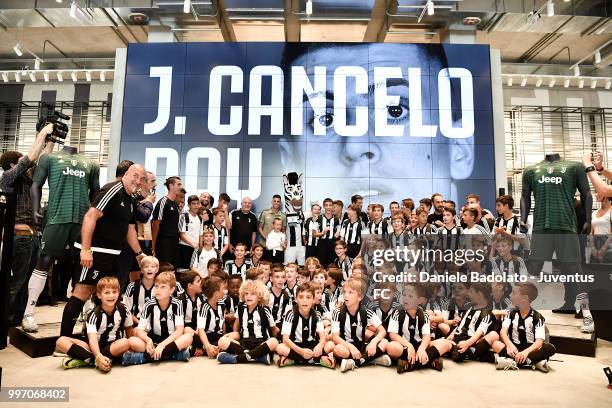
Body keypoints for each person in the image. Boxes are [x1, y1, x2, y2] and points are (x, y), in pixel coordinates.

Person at [60, 164, 146, 337]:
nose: (137, 181)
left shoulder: (131, 198)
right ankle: (64, 342)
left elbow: (130, 229)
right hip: (95, 252)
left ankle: (95, 335)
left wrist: (139, 254)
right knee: (82, 292)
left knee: (105, 294)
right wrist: (85, 249)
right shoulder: (113, 190)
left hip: (112, 255)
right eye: (134, 176)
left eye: (141, 179)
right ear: (126, 174)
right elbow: (90, 216)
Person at [0, 122, 54, 326]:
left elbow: (41, 162)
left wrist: (50, 141)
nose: (26, 163)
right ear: (13, 165)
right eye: (20, 161)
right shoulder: (7, 178)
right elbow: (30, 158)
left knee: (26, 283)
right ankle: (5, 320)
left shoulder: (27, 180)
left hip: (31, 238)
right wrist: (41, 134)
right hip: (20, 237)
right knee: (16, 282)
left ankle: (16, 318)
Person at [55, 277, 131, 371]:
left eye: (114, 292)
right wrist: (98, 356)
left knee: (125, 342)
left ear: (119, 293)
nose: (111, 296)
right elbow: (92, 340)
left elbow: (129, 332)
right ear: (99, 295)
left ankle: (86, 359)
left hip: (113, 347)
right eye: (107, 292)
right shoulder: (94, 314)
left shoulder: (123, 309)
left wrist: (130, 349)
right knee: (60, 341)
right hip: (93, 347)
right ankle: (96, 361)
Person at [122, 272, 192, 365]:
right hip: (154, 340)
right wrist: (148, 340)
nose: (158, 290)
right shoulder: (149, 304)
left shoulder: (177, 304)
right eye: (156, 286)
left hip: (170, 341)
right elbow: (140, 330)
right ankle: (174, 355)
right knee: (132, 341)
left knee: (188, 337)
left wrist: (162, 345)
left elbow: (179, 330)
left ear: (171, 290)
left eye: (163, 287)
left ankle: (144, 357)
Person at [492, 283, 556, 372]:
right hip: (514, 348)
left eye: (514, 293)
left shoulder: (538, 317)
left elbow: (539, 342)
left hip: (530, 349)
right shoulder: (511, 314)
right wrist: (509, 345)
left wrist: (525, 352)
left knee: (550, 348)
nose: (510, 295)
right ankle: (534, 362)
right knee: (495, 344)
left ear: (524, 298)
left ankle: (512, 362)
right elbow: (503, 332)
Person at [387, 283, 451, 372]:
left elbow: (426, 336)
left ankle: (410, 364)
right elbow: (393, 335)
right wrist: (409, 345)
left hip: (420, 344)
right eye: (404, 295)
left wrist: (421, 349)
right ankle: (428, 361)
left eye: (410, 296)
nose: (405, 298)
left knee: (446, 344)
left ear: (419, 300)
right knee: (391, 347)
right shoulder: (397, 312)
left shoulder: (424, 314)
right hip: (404, 346)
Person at [331, 278, 391, 372]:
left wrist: (373, 342)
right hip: (346, 346)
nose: (346, 295)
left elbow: (382, 331)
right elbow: (335, 337)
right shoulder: (337, 312)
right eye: (344, 292)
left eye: (350, 292)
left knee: (385, 342)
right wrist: (351, 347)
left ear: (359, 297)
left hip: (361, 346)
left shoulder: (367, 312)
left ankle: (354, 362)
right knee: (338, 349)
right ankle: (372, 360)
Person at [217, 280, 280, 365]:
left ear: (260, 296)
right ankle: (258, 357)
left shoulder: (265, 309)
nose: (248, 296)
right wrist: (235, 336)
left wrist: (270, 343)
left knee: (274, 342)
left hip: (260, 343)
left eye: (253, 294)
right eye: (246, 294)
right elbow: (236, 325)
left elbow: (273, 329)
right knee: (222, 341)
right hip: (244, 343)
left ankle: (237, 358)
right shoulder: (241, 307)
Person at [276, 283, 336, 368]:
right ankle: (315, 360)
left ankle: (295, 360)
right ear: (296, 299)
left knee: (331, 344)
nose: (304, 300)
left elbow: (322, 337)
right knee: (280, 347)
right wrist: (301, 352)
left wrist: (319, 346)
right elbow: (285, 339)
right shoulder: (290, 314)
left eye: (308, 297)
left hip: (311, 346)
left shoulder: (317, 314)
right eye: (301, 297)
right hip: (296, 347)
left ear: (313, 300)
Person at [446, 283, 498, 363]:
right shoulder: (467, 306)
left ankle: (468, 352)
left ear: (479, 294)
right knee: (441, 343)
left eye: (471, 292)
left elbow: (478, 334)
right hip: (457, 338)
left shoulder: (487, 314)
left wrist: (467, 344)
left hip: (469, 341)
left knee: (494, 335)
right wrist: (451, 335)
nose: (468, 294)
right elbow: (460, 324)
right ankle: (477, 355)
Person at [151, 176, 182, 268]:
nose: (181, 187)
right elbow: (155, 225)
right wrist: (153, 247)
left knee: (173, 269)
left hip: (174, 243)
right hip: (163, 243)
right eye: (178, 184)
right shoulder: (163, 202)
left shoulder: (175, 204)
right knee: (164, 270)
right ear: (171, 185)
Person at [195, 276, 226, 358]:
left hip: (218, 338)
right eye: (223, 289)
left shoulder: (222, 304)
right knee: (188, 330)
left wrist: (224, 337)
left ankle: (211, 349)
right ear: (216, 294)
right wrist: (208, 345)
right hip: (206, 338)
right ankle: (210, 349)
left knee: (235, 334)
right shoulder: (205, 307)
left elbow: (223, 323)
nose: (225, 291)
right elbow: (201, 329)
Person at [123, 255, 159, 327]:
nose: (149, 269)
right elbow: (126, 310)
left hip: (157, 324)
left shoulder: (161, 287)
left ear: (157, 269)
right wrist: (140, 323)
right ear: (141, 270)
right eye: (146, 267)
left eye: (152, 267)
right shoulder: (132, 287)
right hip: (138, 322)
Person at [178, 195, 204, 270]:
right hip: (184, 248)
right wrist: (193, 244)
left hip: (196, 249)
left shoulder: (200, 218)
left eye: (197, 203)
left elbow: (201, 235)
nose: (196, 206)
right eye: (193, 204)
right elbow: (181, 234)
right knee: (184, 272)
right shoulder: (184, 216)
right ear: (189, 205)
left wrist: (200, 248)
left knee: (194, 272)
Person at [178, 271, 203, 337]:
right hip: (185, 332)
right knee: (187, 329)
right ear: (190, 285)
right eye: (198, 281)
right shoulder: (180, 301)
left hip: (200, 328)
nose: (201, 283)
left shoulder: (202, 297)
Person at [588, 190, 611, 263]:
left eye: (598, 192)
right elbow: (591, 232)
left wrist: (603, 249)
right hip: (595, 248)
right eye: (595, 192)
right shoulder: (594, 213)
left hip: (609, 249)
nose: (596, 195)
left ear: (607, 194)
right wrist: (593, 248)